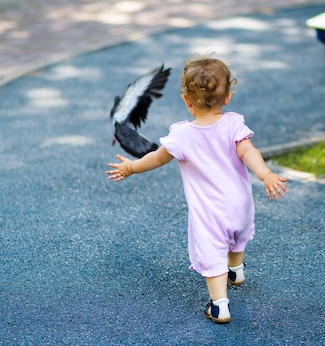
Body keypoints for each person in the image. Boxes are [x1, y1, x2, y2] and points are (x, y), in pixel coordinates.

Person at [106, 55, 287, 324]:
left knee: (213, 256)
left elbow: (156, 158)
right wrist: (266, 174)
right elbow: (248, 150)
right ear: (227, 98)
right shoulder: (233, 124)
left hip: (209, 213)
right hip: (240, 204)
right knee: (237, 237)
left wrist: (131, 167)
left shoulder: (181, 135)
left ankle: (219, 306)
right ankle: (235, 270)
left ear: (186, 100)